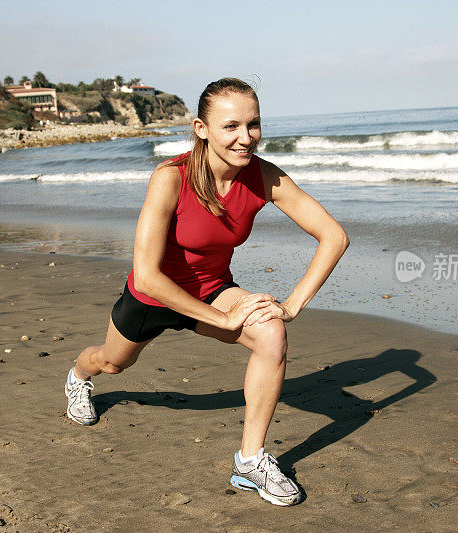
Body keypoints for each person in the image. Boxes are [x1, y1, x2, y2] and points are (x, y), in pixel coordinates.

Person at [64, 77, 349, 506]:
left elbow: (333, 236)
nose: (245, 137)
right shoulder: (170, 178)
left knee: (271, 333)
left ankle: (250, 462)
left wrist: (290, 306)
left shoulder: (264, 176)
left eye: (253, 125)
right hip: (153, 297)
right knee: (111, 363)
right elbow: (146, 274)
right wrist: (223, 319)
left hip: (215, 291)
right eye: (231, 126)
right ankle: (77, 378)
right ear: (202, 129)